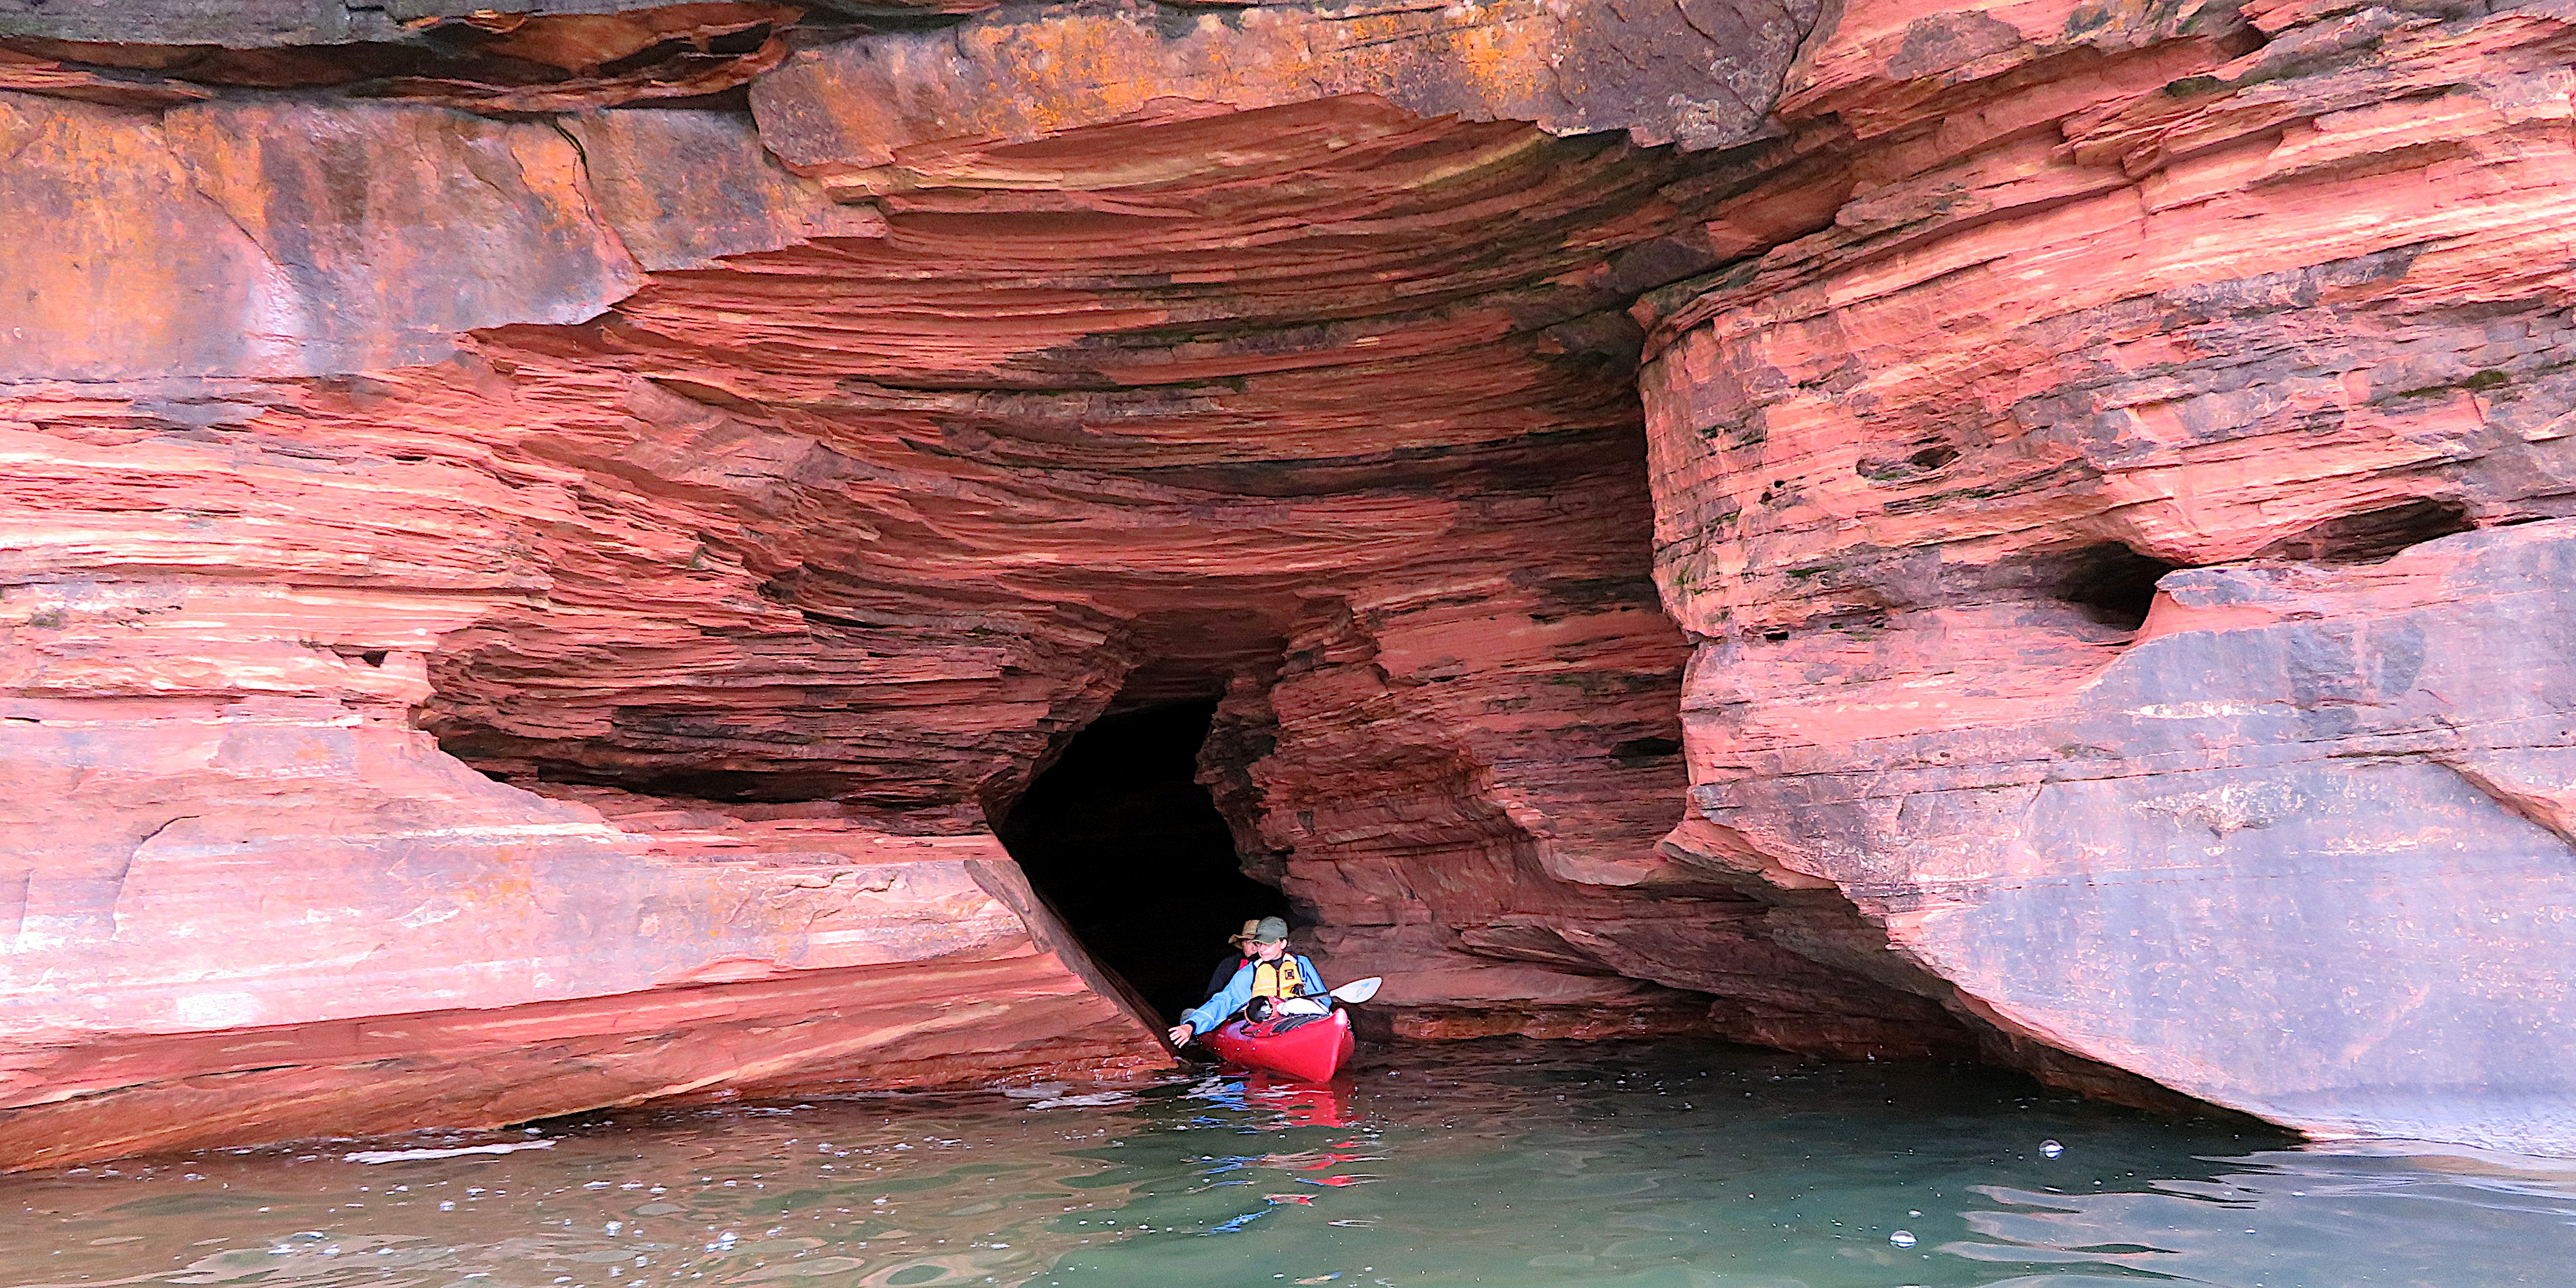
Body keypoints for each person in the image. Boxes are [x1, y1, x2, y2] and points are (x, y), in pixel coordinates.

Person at [1166, 916, 1327, 1047]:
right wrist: (1192, 1025)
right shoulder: (1251, 971)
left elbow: (1321, 1002)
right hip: (1263, 1022)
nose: (1261, 949)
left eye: (1268, 944)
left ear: (1283, 943)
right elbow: (1224, 1000)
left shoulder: (1301, 964)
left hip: (1298, 1021)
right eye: (1259, 943)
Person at [1205, 919, 1261, 995]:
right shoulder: (1228, 965)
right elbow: (1212, 996)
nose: (1254, 948)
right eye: (1249, 942)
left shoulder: (1274, 965)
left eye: (1258, 943)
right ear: (1242, 944)